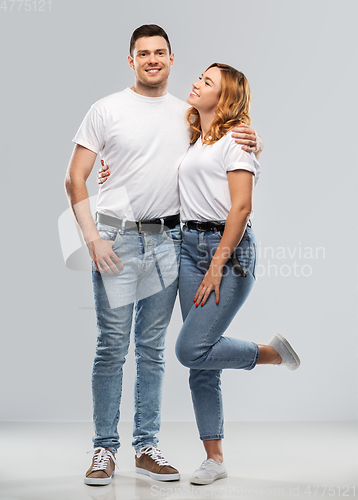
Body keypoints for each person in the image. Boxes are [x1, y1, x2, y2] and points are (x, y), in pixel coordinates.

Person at [65, 25, 262, 486]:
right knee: (111, 347)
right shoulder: (106, 109)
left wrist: (257, 141)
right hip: (116, 239)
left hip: (171, 242)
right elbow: (76, 177)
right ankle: (103, 449)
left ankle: (146, 446)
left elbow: (223, 149)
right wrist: (92, 237)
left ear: (172, 59)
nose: (152, 59)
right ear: (130, 60)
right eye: (143, 53)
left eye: (160, 52)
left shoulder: (188, 115)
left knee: (153, 350)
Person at [173, 63, 301, 485]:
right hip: (188, 248)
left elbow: (241, 208)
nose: (196, 83)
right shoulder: (196, 141)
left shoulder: (236, 141)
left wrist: (216, 265)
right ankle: (215, 458)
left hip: (226, 254)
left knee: (191, 348)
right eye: (199, 76)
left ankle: (270, 354)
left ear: (224, 98)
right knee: (201, 363)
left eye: (207, 82)